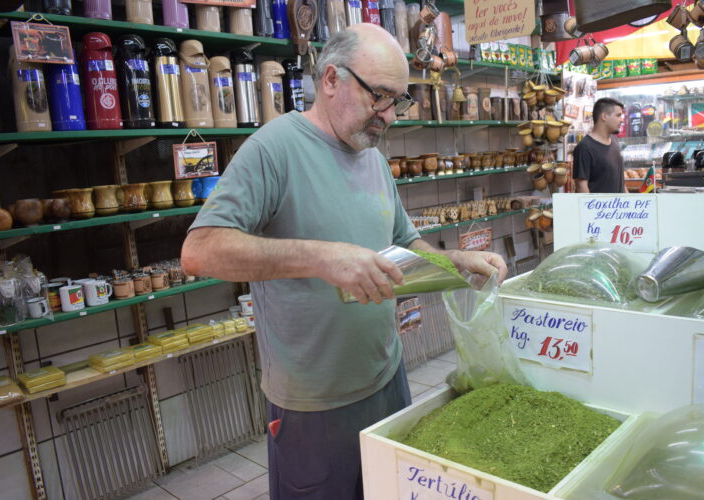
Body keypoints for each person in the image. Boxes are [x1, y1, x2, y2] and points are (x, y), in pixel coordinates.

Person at [181, 24, 508, 500]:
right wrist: (320, 256)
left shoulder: (372, 156)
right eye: (379, 96)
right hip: (314, 399)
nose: (390, 116)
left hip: (386, 375)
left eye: (399, 101)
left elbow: (404, 241)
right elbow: (200, 250)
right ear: (330, 79)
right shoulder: (273, 149)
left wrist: (454, 260)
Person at [573, 97, 628, 193]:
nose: (622, 120)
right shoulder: (584, 147)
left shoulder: (614, 142)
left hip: (619, 207)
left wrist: (630, 203)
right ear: (604, 116)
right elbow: (581, 186)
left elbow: (621, 183)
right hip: (598, 207)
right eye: (618, 115)